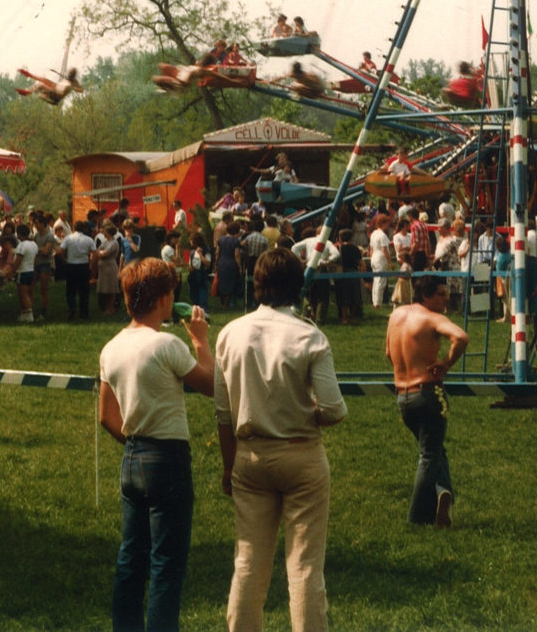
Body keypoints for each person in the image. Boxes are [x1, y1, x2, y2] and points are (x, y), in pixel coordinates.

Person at [213, 249, 346, 632]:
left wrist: (228, 464)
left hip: (249, 455)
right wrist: (310, 414)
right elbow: (335, 410)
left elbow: (223, 413)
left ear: (256, 284)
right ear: (297, 285)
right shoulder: (310, 336)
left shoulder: (229, 334)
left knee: (248, 561)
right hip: (301, 453)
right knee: (304, 567)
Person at [99, 260, 216, 632]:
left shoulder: (112, 347)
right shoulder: (166, 344)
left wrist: (133, 441)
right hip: (167, 457)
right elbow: (212, 385)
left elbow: (106, 415)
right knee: (166, 564)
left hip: (133, 456)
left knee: (131, 559)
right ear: (165, 299)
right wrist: (200, 340)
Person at [384, 274, 468, 527]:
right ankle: (417, 518)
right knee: (429, 457)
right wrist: (446, 364)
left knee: (434, 449)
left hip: (403, 397)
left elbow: (389, 352)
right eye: (441, 294)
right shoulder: (432, 318)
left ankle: (443, 494)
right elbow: (461, 338)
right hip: (429, 393)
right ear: (426, 296)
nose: (446, 298)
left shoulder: (396, 316)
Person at [62, 221, 97, 321]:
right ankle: (84, 314)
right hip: (83, 265)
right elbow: (95, 253)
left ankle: (72, 306)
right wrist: (91, 264)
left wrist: (64, 260)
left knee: (70, 289)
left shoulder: (68, 238)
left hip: (71, 265)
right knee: (84, 291)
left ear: (73, 228)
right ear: (85, 229)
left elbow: (60, 251)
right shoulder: (88, 239)